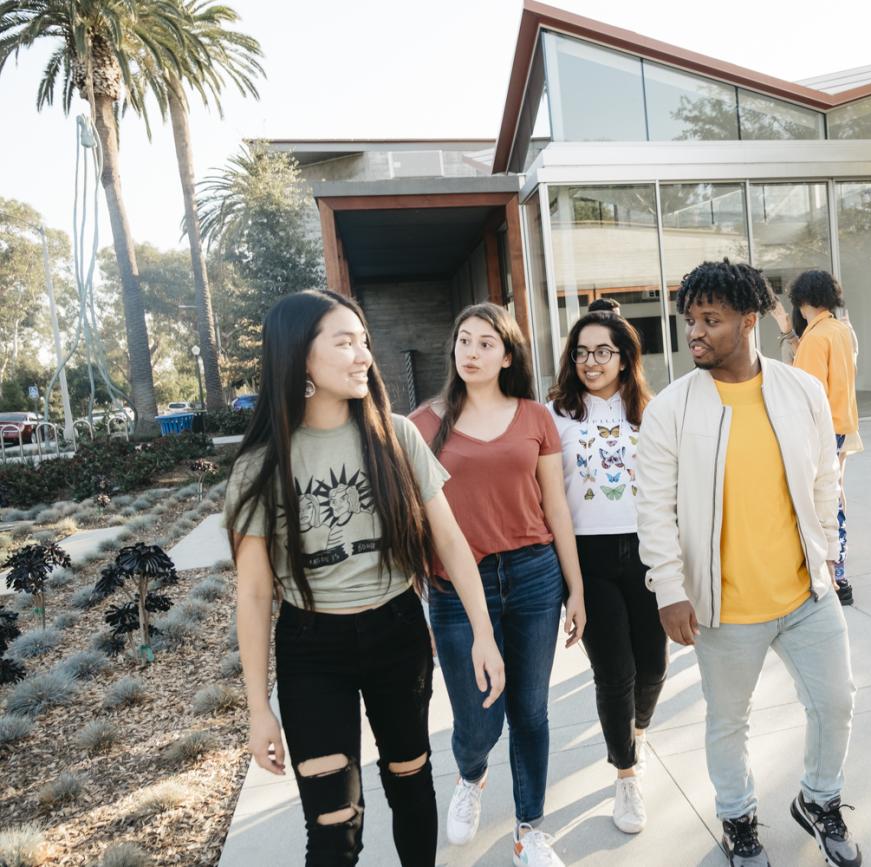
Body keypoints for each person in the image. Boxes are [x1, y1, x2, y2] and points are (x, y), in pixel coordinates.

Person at [226, 290, 505, 867]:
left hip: (397, 632)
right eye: (345, 342)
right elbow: (253, 594)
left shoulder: (397, 436)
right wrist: (258, 708)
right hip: (312, 649)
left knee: (411, 782)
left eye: (365, 342)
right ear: (301, 356)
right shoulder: (261, 465)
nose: (363, 356)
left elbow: (451, 540)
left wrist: (483, 633)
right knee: (333, 824)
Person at [637, 259, 861, 867]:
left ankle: (819, 799)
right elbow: (653, 511)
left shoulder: (801, 391)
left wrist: (830, 561)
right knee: (728, 723)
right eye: (691, 320)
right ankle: (737, 818)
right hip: (724, 607)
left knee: (837, 702)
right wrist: (668, 590)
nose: (696, 333)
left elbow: (822, 480)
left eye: (711, 319)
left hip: (805, 595)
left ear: (749, 319)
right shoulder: (671, 410)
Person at [408, 302, 585, 867]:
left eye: (486, 343)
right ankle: (472, 773)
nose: (472, 351)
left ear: (507, 355)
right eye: (464, 340)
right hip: (458, 589)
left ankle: (529, 829)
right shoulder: (422, 424)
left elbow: (556, 506)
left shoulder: (536, 416)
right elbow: (413, 520)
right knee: (477, 717)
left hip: (534, 575)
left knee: (530, 711)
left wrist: (575, 588)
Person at [547, 309, 665, 835]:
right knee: (615, 673)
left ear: (624, 357)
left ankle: (635, 731)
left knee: (654, 667)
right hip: (588, 559)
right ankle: (626, 773)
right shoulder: (555, 416)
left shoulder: (650, 411)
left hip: (645, 552)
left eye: (602, 352)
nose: (590, 362)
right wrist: (570, 585)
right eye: (581, 352)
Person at [788, 270, 860, 605]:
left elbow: (807, 393)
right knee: (834, 495)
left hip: (821, 430)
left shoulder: (817, 338)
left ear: (803, 301)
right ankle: (838, 573)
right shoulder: (840, 330)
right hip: (841, 423)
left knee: (823, 502)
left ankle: (837, 577)